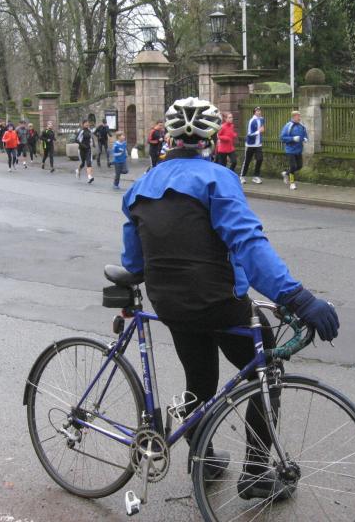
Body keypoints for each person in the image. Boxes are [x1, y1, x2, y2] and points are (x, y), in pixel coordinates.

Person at [120, 97, 339, 500]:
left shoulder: (139, 187)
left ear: (169, 138)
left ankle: (201, 460)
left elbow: (133, 262)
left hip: (169, 304)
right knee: (265, 372)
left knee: (199, 381)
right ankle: (255, 474)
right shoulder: (217, 179)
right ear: (210, 138)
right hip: (218, 302)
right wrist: (298, 297)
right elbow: (248, 244)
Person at [279, 110, 308, 190]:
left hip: (299, 150)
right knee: (293, 166)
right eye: (298, 116)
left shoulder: (301, 126)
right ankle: (292, 183)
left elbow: (305, 134)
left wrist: (305, 138)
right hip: (290, 150)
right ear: (294, 117)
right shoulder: (288, 126)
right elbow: (282, 138)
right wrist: (292, 139)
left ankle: (286, 173)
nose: (299, 118)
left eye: (299, 116)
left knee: (299, 166)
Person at [239, 106, 264, 184]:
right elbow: (249, 134)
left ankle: (256, 176)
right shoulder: (252, 121)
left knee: (260, 159)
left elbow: (262, 128)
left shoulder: (262, 119)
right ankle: (242, 176)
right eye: (257, 111)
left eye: (259, 111)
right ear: (254, 112)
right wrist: (258, 131)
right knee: (247, 161)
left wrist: (261, 131)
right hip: (250, 145)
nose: (259, 112)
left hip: (258, 145)